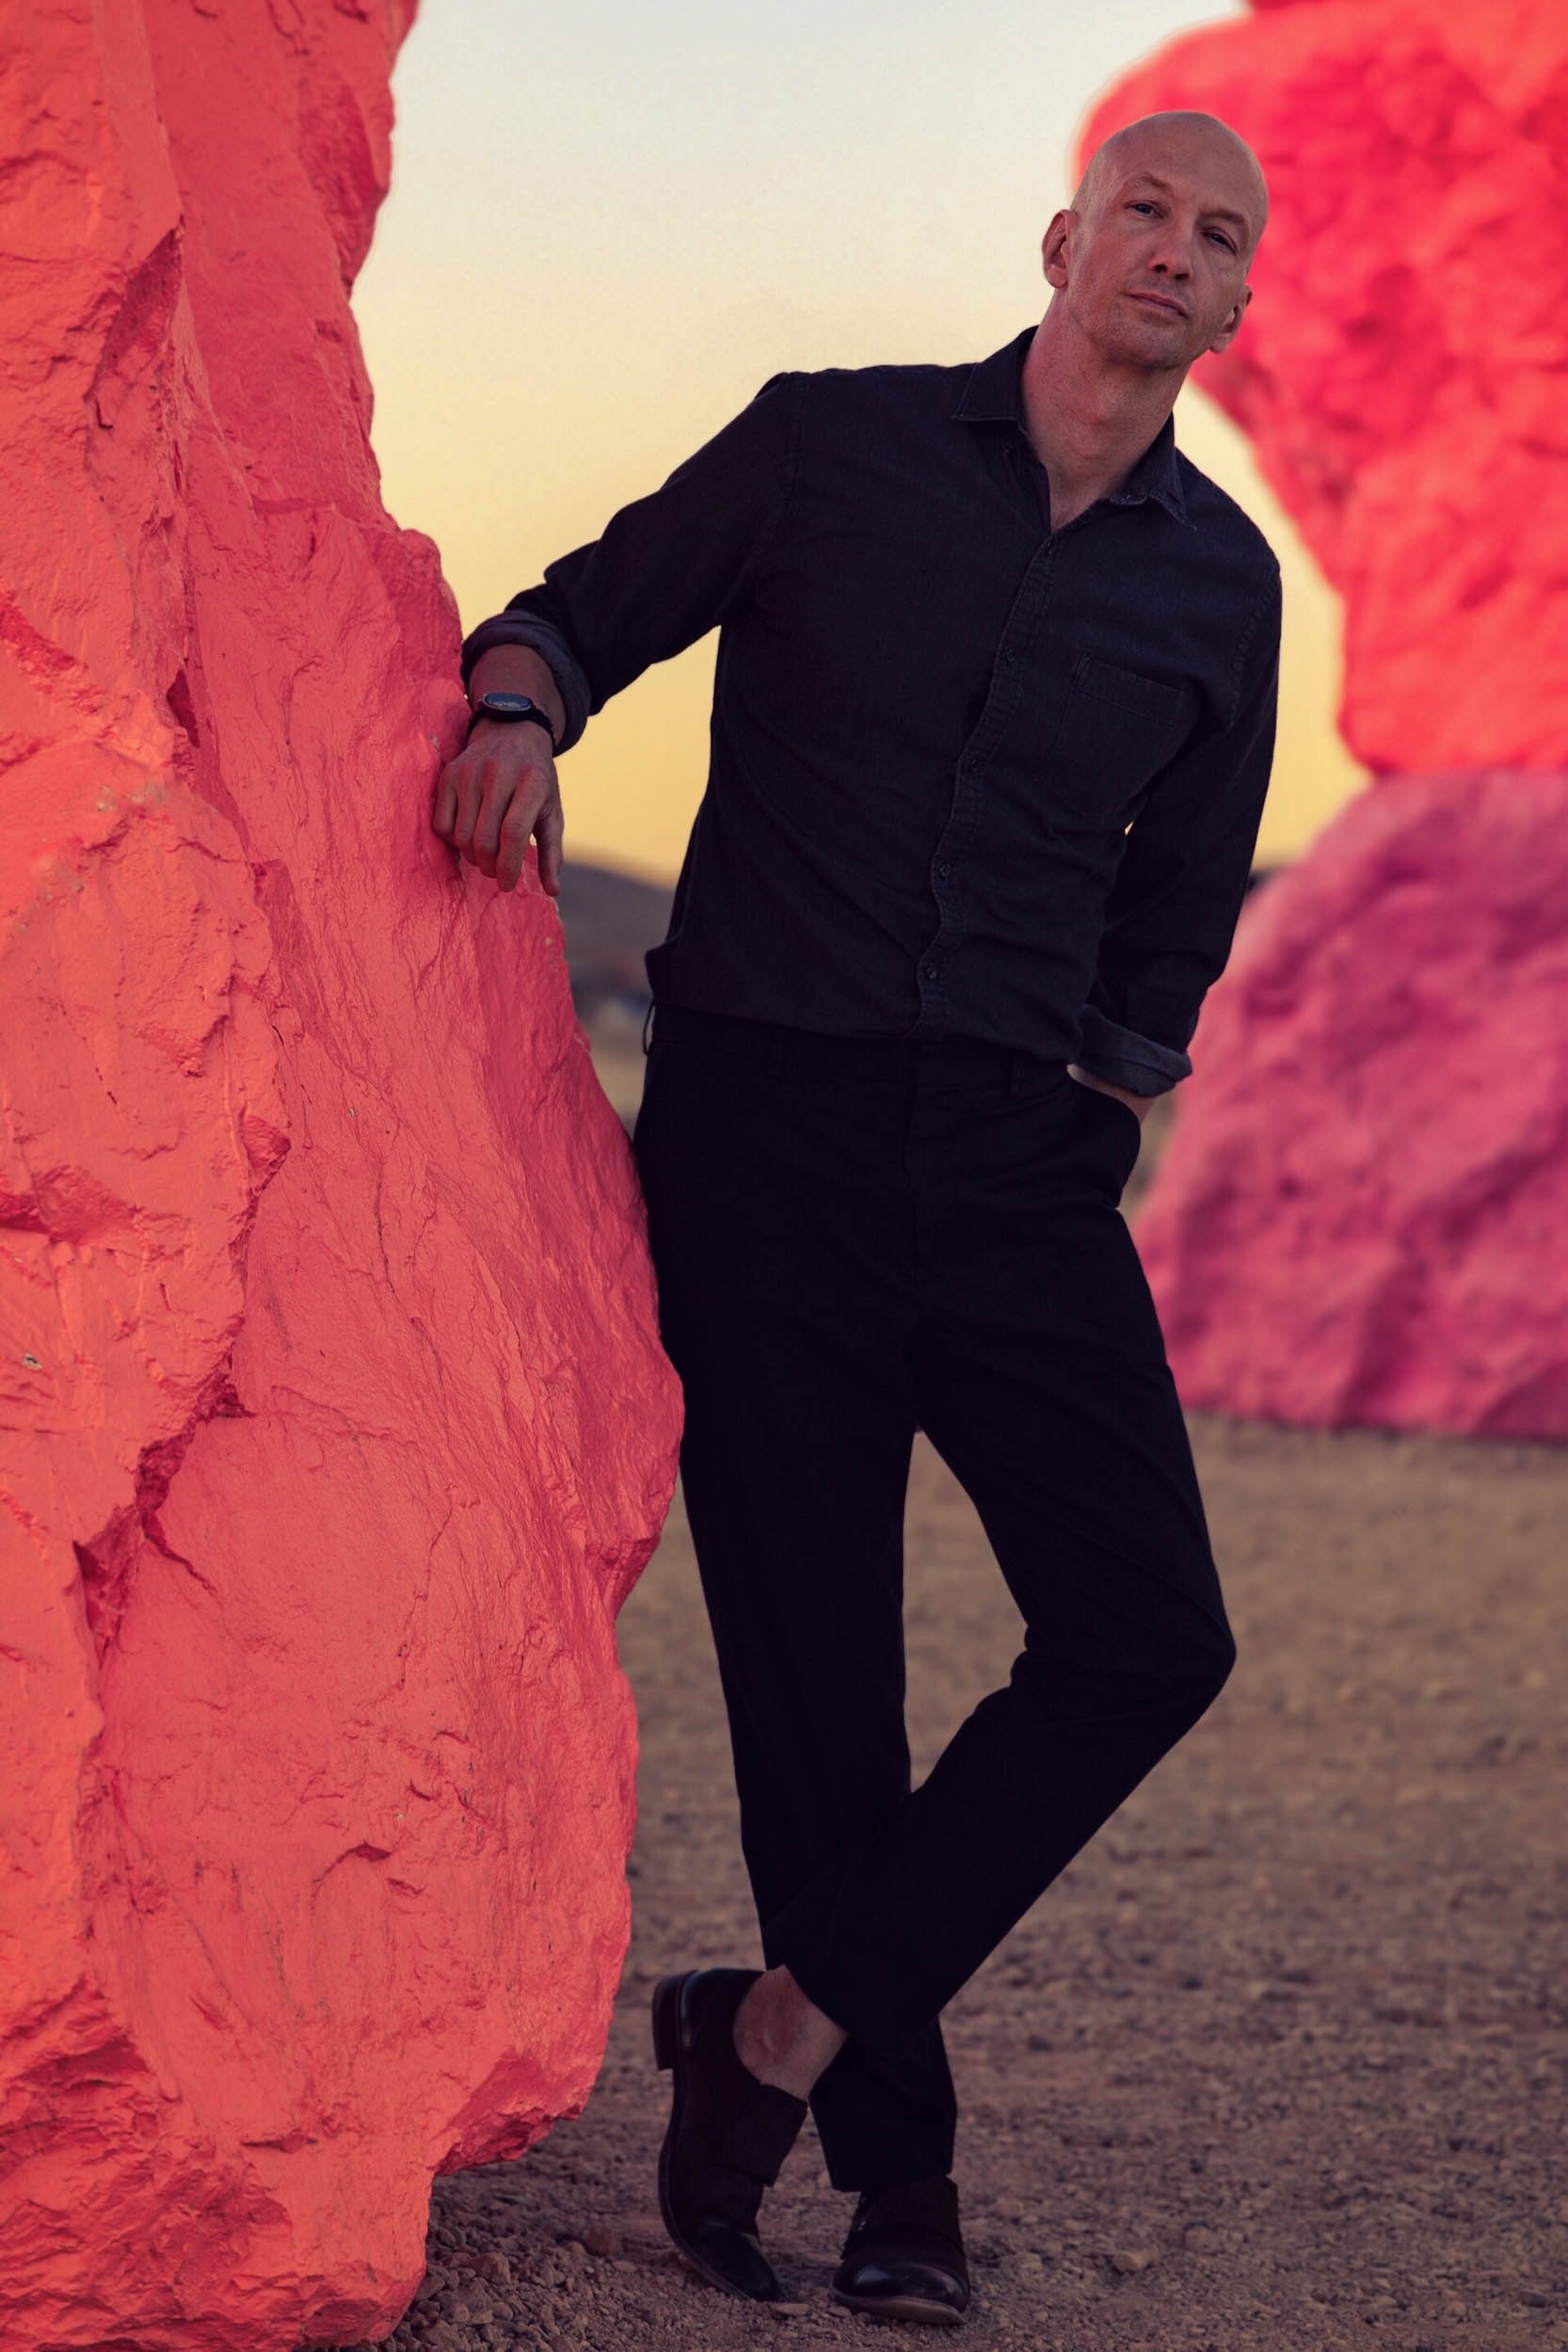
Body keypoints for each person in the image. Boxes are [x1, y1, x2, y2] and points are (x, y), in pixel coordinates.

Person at [435, 110, 1278, 2329]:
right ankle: (898, 2184)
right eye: (1144, 214)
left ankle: (774, 2032)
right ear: (1060, 243)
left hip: (1014, 1164)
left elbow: (1170, 926)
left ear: (1234, 300)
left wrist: (1093, 1108)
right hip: (763, 1147)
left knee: (1143, 1633)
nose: (1171, 256)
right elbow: (574, 609)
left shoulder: (1216, 582)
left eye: (1216, 239)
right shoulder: (829, 452)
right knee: (822, 1686)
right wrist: (515, 708)